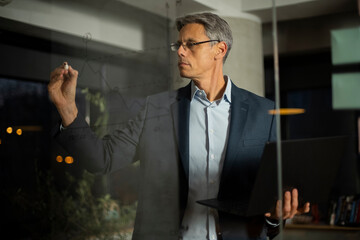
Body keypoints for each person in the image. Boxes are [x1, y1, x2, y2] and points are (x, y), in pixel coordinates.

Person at [48, 12, 310, 240]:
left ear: (220, 50)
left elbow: (272, 198)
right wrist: (67, 108)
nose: (180, 51)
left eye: (191, 44)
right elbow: (101, 160)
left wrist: (276, 216)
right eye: (179, 45)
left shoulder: (263, 113)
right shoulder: (155, 109)